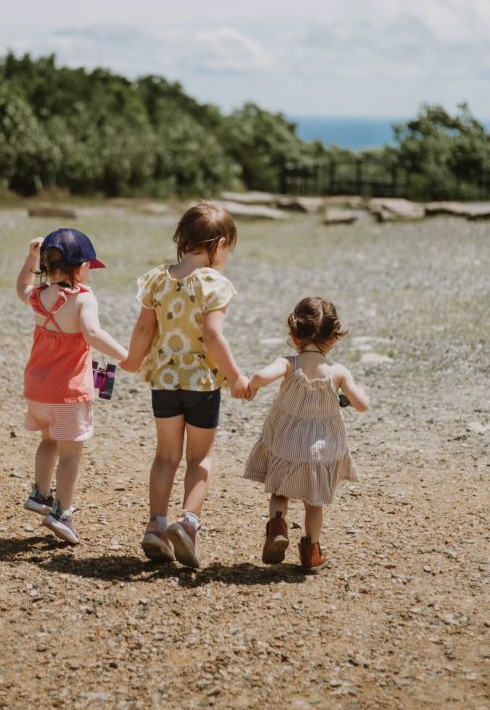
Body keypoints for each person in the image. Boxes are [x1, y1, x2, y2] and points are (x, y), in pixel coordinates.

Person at [122, 201, 248, 568]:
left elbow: (145, 328)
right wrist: (237, 375)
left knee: (165, 456)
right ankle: (188, 524)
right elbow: (212, 336)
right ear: (219, 243)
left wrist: (131, 360)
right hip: (201, 384)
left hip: (164, 380)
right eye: (229, 247)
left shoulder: (158, 279)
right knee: (200, 457)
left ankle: (156, 527)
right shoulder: (215, 284)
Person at [16, 227, 127, 545]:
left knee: (48, 440)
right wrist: (127, 356)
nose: (90, 270)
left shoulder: (38, 297)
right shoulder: (83, 299)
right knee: (70, 455)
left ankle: (40, 494)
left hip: (38, 391)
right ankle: (62, 512)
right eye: (89, 265)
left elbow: (21, 285)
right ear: (79, 269)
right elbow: (92, 334)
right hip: (68, 394)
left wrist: (30, 256)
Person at [243, 296, 368, 571]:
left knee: (279, 492)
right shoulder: (337, 372)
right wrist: (348, 393)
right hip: (322, 451)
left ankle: (277, 526)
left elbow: (261, 377)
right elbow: (362, 404)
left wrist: (251, 385)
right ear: (333, 338)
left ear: (293, 333)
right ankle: (311, 552)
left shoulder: (289, 363)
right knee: (314, 504)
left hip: (287, 445)